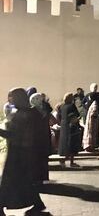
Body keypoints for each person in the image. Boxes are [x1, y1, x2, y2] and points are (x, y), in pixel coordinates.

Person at [0, 88, 49, 216]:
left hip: (18, 153)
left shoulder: (23, 115)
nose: (10, 100)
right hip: (26, 152)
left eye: (12, 97)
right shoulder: (31, 112)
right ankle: (38, 204)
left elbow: (14, 135)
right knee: (24, 181)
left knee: (9, 182)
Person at [29, 93, 53, 185]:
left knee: (36, 159)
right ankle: (42, 178)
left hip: (36, 137)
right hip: (44, 136)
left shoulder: (32, 111)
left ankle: (36, 179)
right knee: (42, 159)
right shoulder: (44, 110)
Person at [58, 93, 82, 168]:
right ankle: (71, 162)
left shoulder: (62, 106)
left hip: (64, 126)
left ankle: (63, 160)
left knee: (65, 144)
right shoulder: (72, 106)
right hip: (71, 126)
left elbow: (60, 116)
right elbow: (76, 115)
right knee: (72, 144)